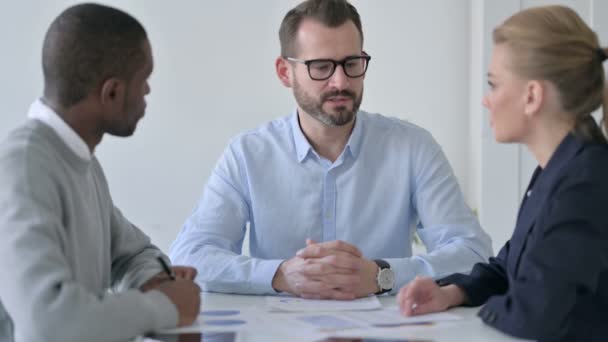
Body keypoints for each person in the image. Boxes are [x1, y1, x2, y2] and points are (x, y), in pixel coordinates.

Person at [170, 0, 491, 300]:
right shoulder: (248, 154)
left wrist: (382, 275)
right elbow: (190, 256)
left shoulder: (412, 148)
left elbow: (473, 253)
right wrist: (279, 275)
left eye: (351, 63)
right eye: (321, 66)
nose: (340, 82)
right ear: (285, 72)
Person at [397, 5, 608, 341]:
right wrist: (453, 293)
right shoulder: (560, 169)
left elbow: (536, 313)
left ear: (532, 96)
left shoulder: (588, 180)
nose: (486, 100)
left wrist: (487, 311)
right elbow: (509, 268)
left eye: (494, 85)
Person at [0, 4, 201, 342]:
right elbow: (48, 324)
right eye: (144, 80)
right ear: (112, 92)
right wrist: (162, 306)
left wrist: (152, 279)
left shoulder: (82, 162)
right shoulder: (22, 166)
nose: (148, 92)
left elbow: (134, 253)